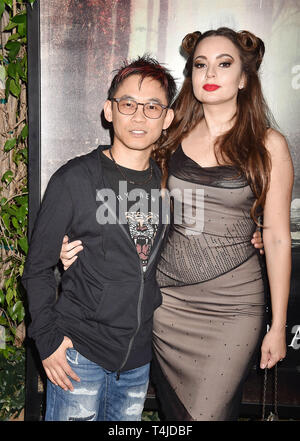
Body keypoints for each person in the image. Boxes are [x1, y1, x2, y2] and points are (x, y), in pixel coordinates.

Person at [60, 29, 276, 421]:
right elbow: (125, 194)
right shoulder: (169, 136)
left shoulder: (267, 143)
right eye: (200, 64)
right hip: (168, 304)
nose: (210, 72)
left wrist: (278, 325)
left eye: (224, 64)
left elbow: (276, 237)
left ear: (244, 77)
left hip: (233, 305)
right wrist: (70, 235)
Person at [22, 56, 176, 421]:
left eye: (153, 106)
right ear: (110, 110)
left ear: (167, 118)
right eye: (128, 104)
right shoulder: (74, 180)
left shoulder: (170, 184)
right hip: (79, 354)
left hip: (138, 359)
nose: (139, 116)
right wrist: (47, 342)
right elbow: (37, 269)